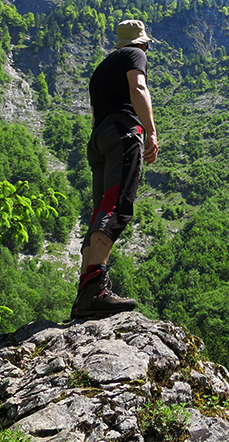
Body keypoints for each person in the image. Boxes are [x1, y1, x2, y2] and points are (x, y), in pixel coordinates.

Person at [70, 19, 160, 319]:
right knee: (117, 207)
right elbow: (138, 87)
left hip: (98, 140)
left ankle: (84, 292)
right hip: (122, 133)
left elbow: (95, 116)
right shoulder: (135, 56)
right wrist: (150, 131)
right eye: (146, 42)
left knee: (100, 211)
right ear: (141, 41)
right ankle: (95, 291)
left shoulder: (101, 69)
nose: (147, 47)